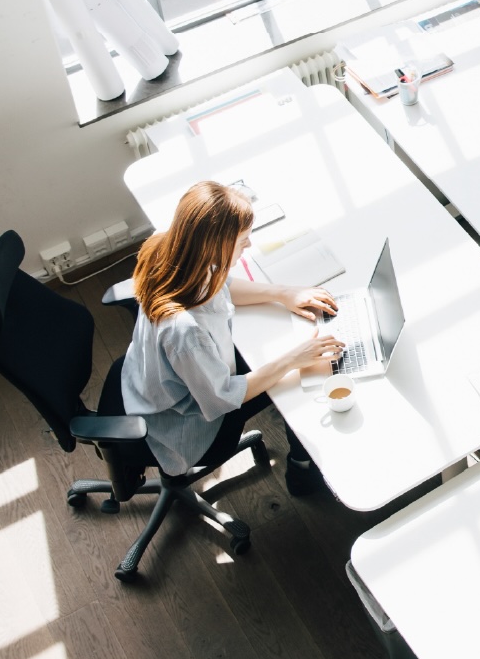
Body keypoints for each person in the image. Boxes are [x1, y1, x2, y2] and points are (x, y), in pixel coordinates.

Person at [121, 180, 344, 495]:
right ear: (215, 246)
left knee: (286, 358)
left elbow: (220, 284)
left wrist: (283, 293)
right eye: (243, 240)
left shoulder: (170, 249)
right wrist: (296, 358)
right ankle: (302, 473)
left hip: (147, 378)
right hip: (185, 424)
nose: (249, 246)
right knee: (301, 388)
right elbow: (220, 398)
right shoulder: (184, 331)